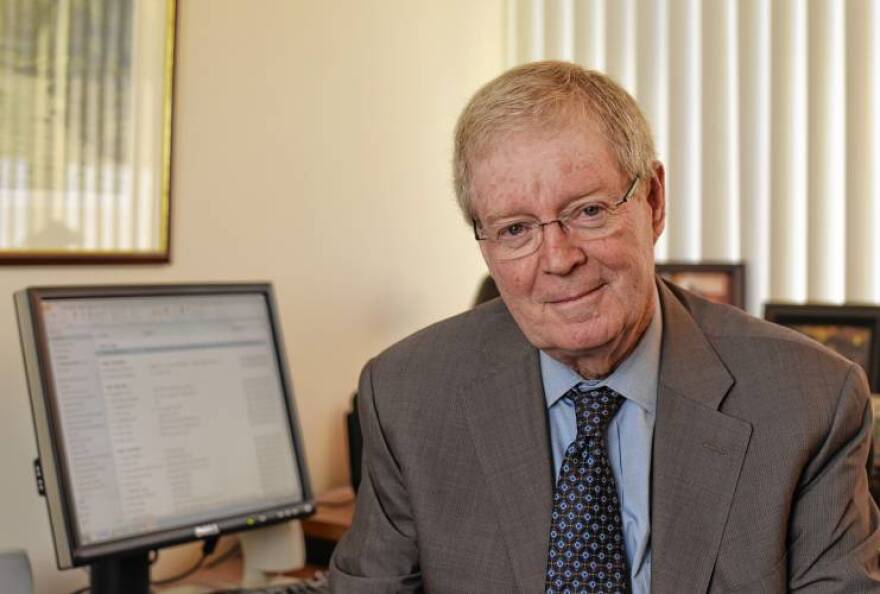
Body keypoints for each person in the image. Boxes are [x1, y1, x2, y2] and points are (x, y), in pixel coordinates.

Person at [329, 61, 880, 593]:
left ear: (654, 201)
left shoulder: (808, 403)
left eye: (588, 211)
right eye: (516, 228)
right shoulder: (409, 395)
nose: (559, 258)